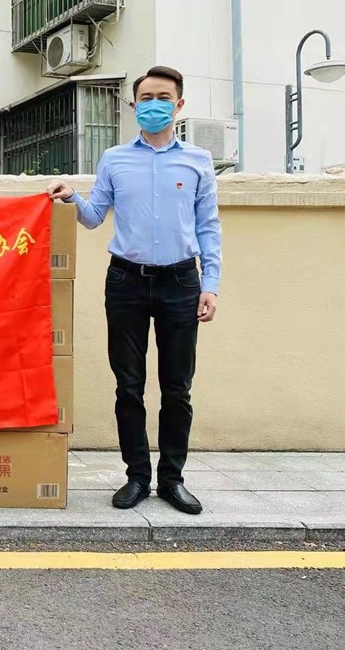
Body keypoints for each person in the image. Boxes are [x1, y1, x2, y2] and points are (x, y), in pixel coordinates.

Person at [47, 65, 222, 515]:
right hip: (125, 280)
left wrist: (211, 284)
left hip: (181, 281)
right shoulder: (114, 159)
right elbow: (93, 217)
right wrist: (71, 196)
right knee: (129, 385)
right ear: (133, 105)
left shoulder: (198, 161)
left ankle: (172, 480)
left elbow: (208, 226)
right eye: (146, 98)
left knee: (177, 388)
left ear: (179, 105)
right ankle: (137, 477)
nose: (154, 105)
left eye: (163, 97)